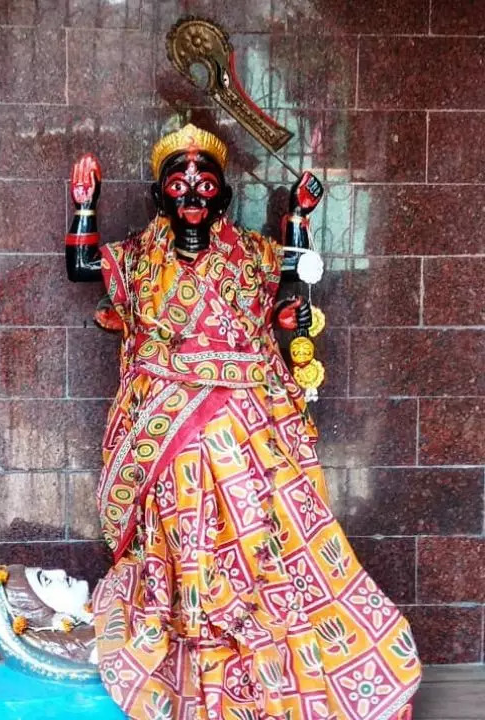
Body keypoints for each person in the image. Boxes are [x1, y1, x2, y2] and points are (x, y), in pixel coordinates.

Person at [65, 124, 421, 720]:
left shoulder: (252, 254)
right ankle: (191, 642)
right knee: (180, 535)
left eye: (205, 183)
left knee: (263, 534)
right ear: (160, 196)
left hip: (246, 423)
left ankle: (291, 648)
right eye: (179, 184)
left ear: (224, 194)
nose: (193, 194)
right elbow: (81, 268)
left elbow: (298, 267)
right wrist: (84, 205)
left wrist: (300, 217)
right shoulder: (137, 257)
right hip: (164, 425)